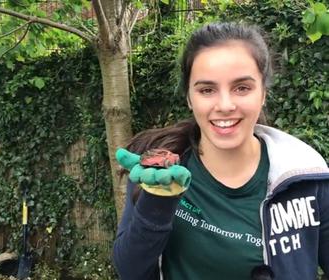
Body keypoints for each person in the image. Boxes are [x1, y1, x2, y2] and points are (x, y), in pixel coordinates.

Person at [112, 22, 329, 280]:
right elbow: (130, 271)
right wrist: (157, 201)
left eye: (242, 88)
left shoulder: (307, 180)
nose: (225, 105)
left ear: (263, 94)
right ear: (189, 98)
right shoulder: (159, 173)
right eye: (207, 90)